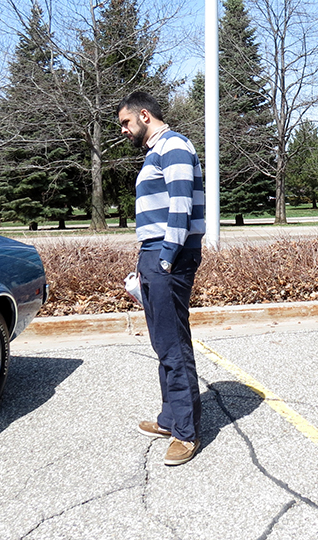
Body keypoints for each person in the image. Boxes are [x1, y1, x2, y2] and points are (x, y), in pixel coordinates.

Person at [118, 91, 206, 467]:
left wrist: (166, 258)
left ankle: (186, 432)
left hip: (169, 256)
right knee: (163, 342)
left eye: (125, 123)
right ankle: (171, 418)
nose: (124, 130)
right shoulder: (158, 151)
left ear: (144, 115)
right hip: (154, 255)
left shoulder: (174, 147)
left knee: (172, 344)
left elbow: (181, 204)